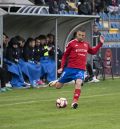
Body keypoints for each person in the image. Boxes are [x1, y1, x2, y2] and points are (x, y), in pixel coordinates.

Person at [49, 29, 104, 109]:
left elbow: (93, 52)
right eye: (80, 35)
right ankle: (56, 82)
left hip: (80, 69)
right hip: (70, 69)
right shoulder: (71, 44)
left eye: (83, 35)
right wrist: (62, 67)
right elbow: (64, 56)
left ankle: (74, 102)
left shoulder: (86, 44)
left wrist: (100, 43)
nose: (81, 37)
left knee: (78, 83)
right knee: (58, 86)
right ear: (76, 35)